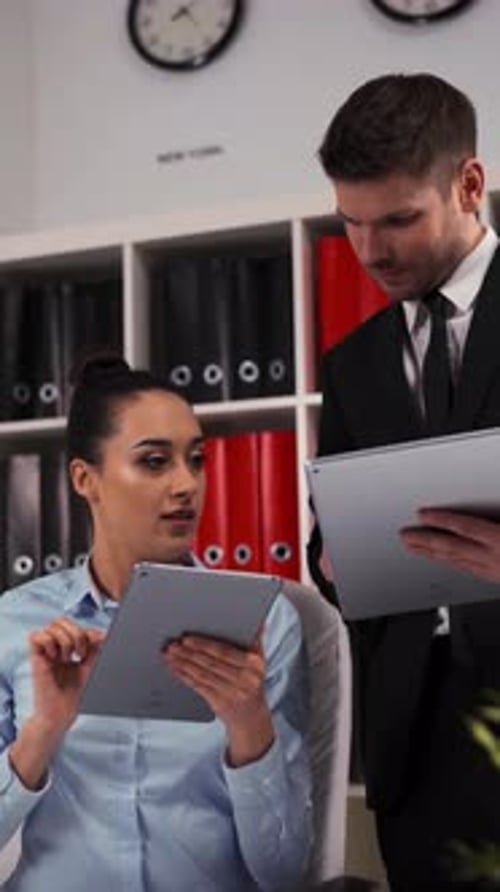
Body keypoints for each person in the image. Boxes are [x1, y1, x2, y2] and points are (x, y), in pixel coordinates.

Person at [0, 356, 312, 892]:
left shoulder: (266, 622)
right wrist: (43, 731)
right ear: (84, 479)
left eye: (197, 460)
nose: (187, 484)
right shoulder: (14, 623)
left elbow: (284, 873)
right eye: (154, 462)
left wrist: (248, 723)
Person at [308, 72, 500, 891]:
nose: (371, 252)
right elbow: (326, 546)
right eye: (350, 224)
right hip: (416, 750)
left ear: (469, 184)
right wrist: (336, 565)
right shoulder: (350, 366)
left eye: (397, 220)